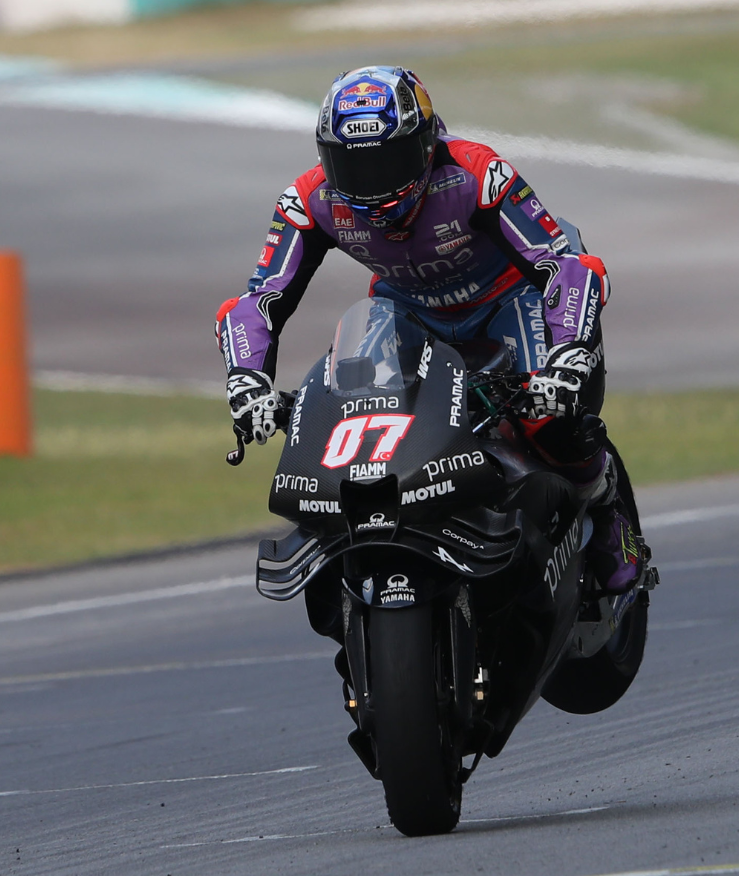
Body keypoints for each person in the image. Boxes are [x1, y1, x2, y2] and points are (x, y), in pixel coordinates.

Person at [215, 65, 641, 591]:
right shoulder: (307, 200)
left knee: (549, 420)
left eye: (388, 162)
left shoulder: (476, 172)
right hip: (407, 308)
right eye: (351, 166)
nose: (371, 185)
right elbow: (260, 298)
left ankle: (602, 500)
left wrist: (568, 352)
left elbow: (562, 263)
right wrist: (247, 380)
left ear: (424, 144)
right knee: (359, 408)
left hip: (510, 297)